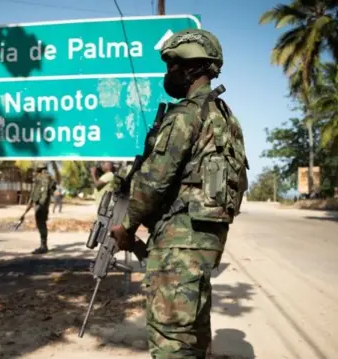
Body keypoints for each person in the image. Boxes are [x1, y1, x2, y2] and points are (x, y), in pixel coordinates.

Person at [109, 28, 249, 359]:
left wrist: (126, 227)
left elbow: (154, 181)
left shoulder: (186, 116)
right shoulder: (227, 119)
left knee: (172, 343)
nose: (168, 73)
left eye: (172, 65)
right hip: (205, 243)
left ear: (192, 68)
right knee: (193, 336)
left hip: (177, 247)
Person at [20, 162, 57, 254]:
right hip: (43, 204)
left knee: (41, 224)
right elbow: (51, 189)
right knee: (42, 223)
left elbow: (36, 194)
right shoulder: (49, 177)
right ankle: (43, 245)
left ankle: (43, 246)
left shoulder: (42, 178)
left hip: (40, 205)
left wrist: (39, 204)